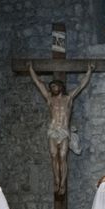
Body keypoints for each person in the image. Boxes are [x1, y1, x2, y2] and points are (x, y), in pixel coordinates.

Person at [28, 62, 94, 196]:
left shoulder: (68, 98)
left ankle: (62, 183)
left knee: (62, 156)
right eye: (51, 86)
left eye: (55, 86)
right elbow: (38, 83)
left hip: (64, 131)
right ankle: (56, 180)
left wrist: (89, 71)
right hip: (53, 130)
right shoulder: (49, 99)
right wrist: (30, 69)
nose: (52, 88)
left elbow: (81, 85)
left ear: (60, 87)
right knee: (53, 155)